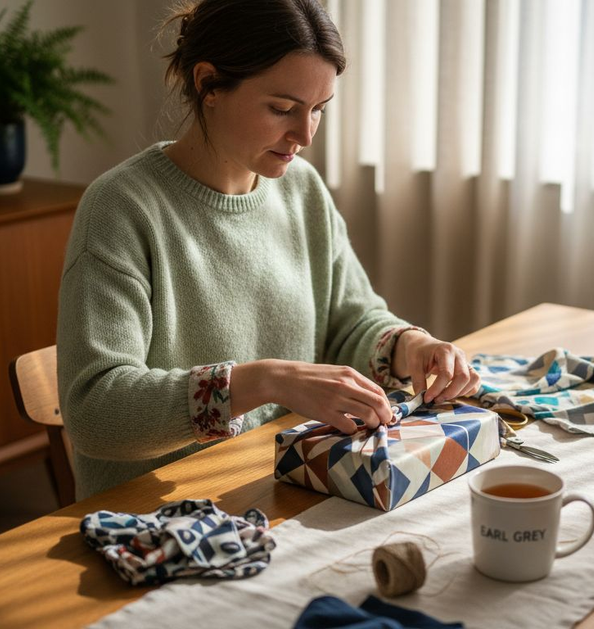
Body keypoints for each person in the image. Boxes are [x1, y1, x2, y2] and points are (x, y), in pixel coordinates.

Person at [56, 0, 480, 499]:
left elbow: (350, 322)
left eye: (319, 109)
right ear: (209, 84)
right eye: (282, 108)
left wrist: (410, 347)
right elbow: (95, 413)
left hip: (280, 484)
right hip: (158, 519)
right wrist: (264, 382)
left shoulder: (301, 189)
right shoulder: (121, 208)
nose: (304, 135)